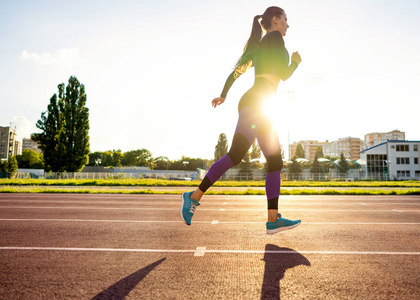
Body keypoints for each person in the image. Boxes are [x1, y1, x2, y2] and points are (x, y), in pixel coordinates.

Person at [180, 6, 302, 234]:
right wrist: (295, 62)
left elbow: (236, 72)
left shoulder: (259, 45)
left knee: (275, 162)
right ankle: (192, 197)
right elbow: (283, 75)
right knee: (236, 156)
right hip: (258, 104)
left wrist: (224, 94)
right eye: (285, 19)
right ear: (275, 20)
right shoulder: (275, 39)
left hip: (258, 104)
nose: (288, 24)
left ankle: (273, 219)